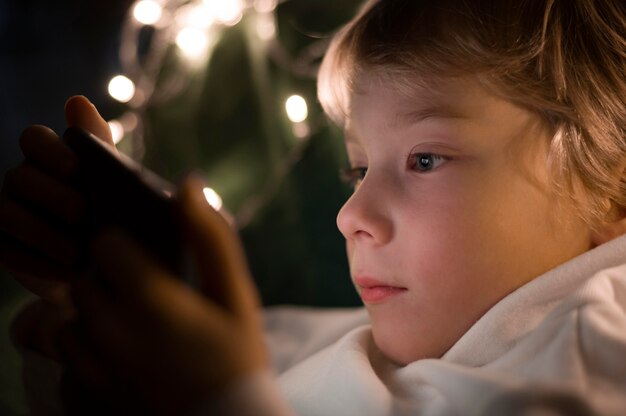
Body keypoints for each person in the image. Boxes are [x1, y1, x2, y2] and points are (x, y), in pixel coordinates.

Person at [2, 0, 626, 414]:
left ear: (609, 189)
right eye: (358, 169)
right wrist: (84, 327)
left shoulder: (593, 353)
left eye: (425, 159)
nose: (350, 215)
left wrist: (224, 399)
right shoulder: (303, 337)